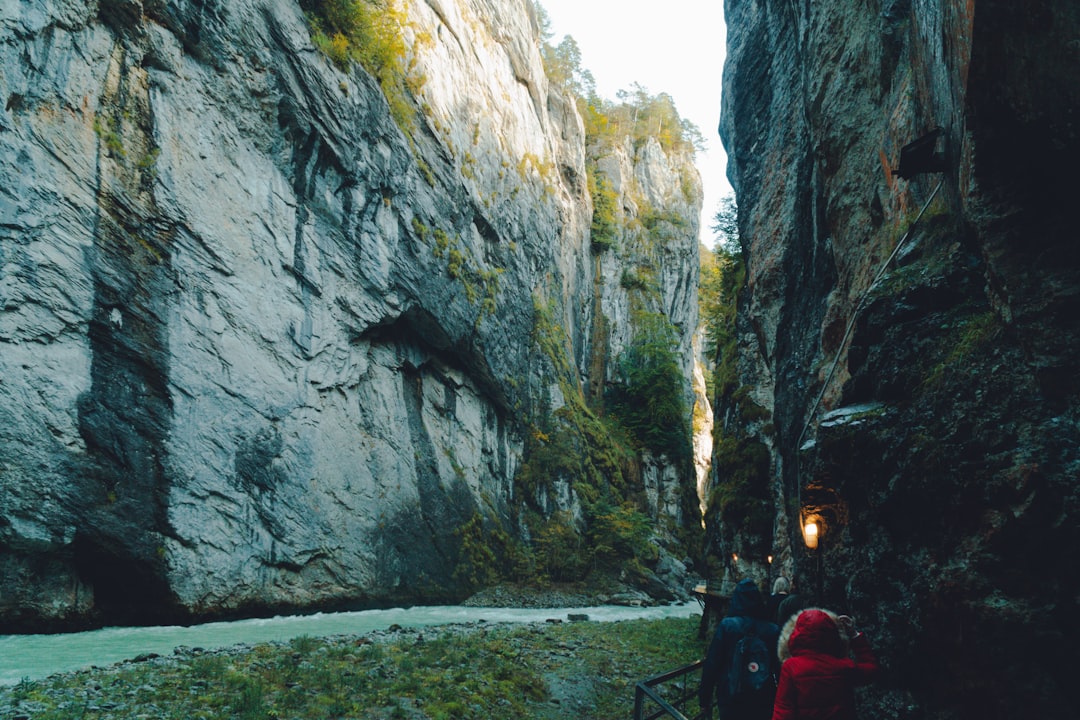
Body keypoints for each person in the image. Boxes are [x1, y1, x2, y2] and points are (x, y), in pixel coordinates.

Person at [772, 608, 879, 720]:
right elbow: (870, 670)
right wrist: (854, 635)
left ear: (796, 635)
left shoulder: (790, 667)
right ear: (833, 635)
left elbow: (783, 708)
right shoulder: (842, 666)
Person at [699, 578, 780, 720]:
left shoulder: (727, 626)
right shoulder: (772, 629)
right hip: (762, 696)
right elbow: (779, 667)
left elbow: (713, 663)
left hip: (731, 695)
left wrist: (704, 698)